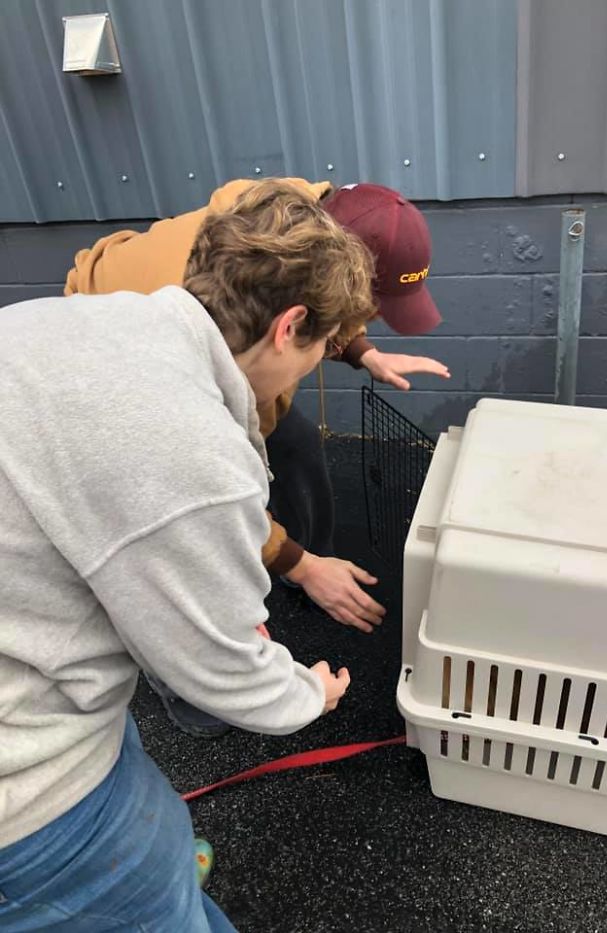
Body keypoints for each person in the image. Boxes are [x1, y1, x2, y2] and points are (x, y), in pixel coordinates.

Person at [0, 180, 377, 931]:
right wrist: (307, 692)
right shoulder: (187, 449)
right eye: (320, 350)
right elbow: (218, 666)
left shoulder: (68, 323)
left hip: (30, 656)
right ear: (289, 326)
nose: (311, 369)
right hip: (29, 799)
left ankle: (157, 864)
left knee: (146, 817)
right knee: (143, 890)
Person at [65, 177, 450, 737]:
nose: (325, 356)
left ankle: (307, 565)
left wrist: (359, 350)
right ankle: (194, 694)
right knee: (171, 558)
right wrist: (288, 570)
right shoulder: (176, 413)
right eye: (323, 343)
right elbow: (210, 500)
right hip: (113, 344)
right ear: (290, 324)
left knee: (292, 442)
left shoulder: (283, 219)